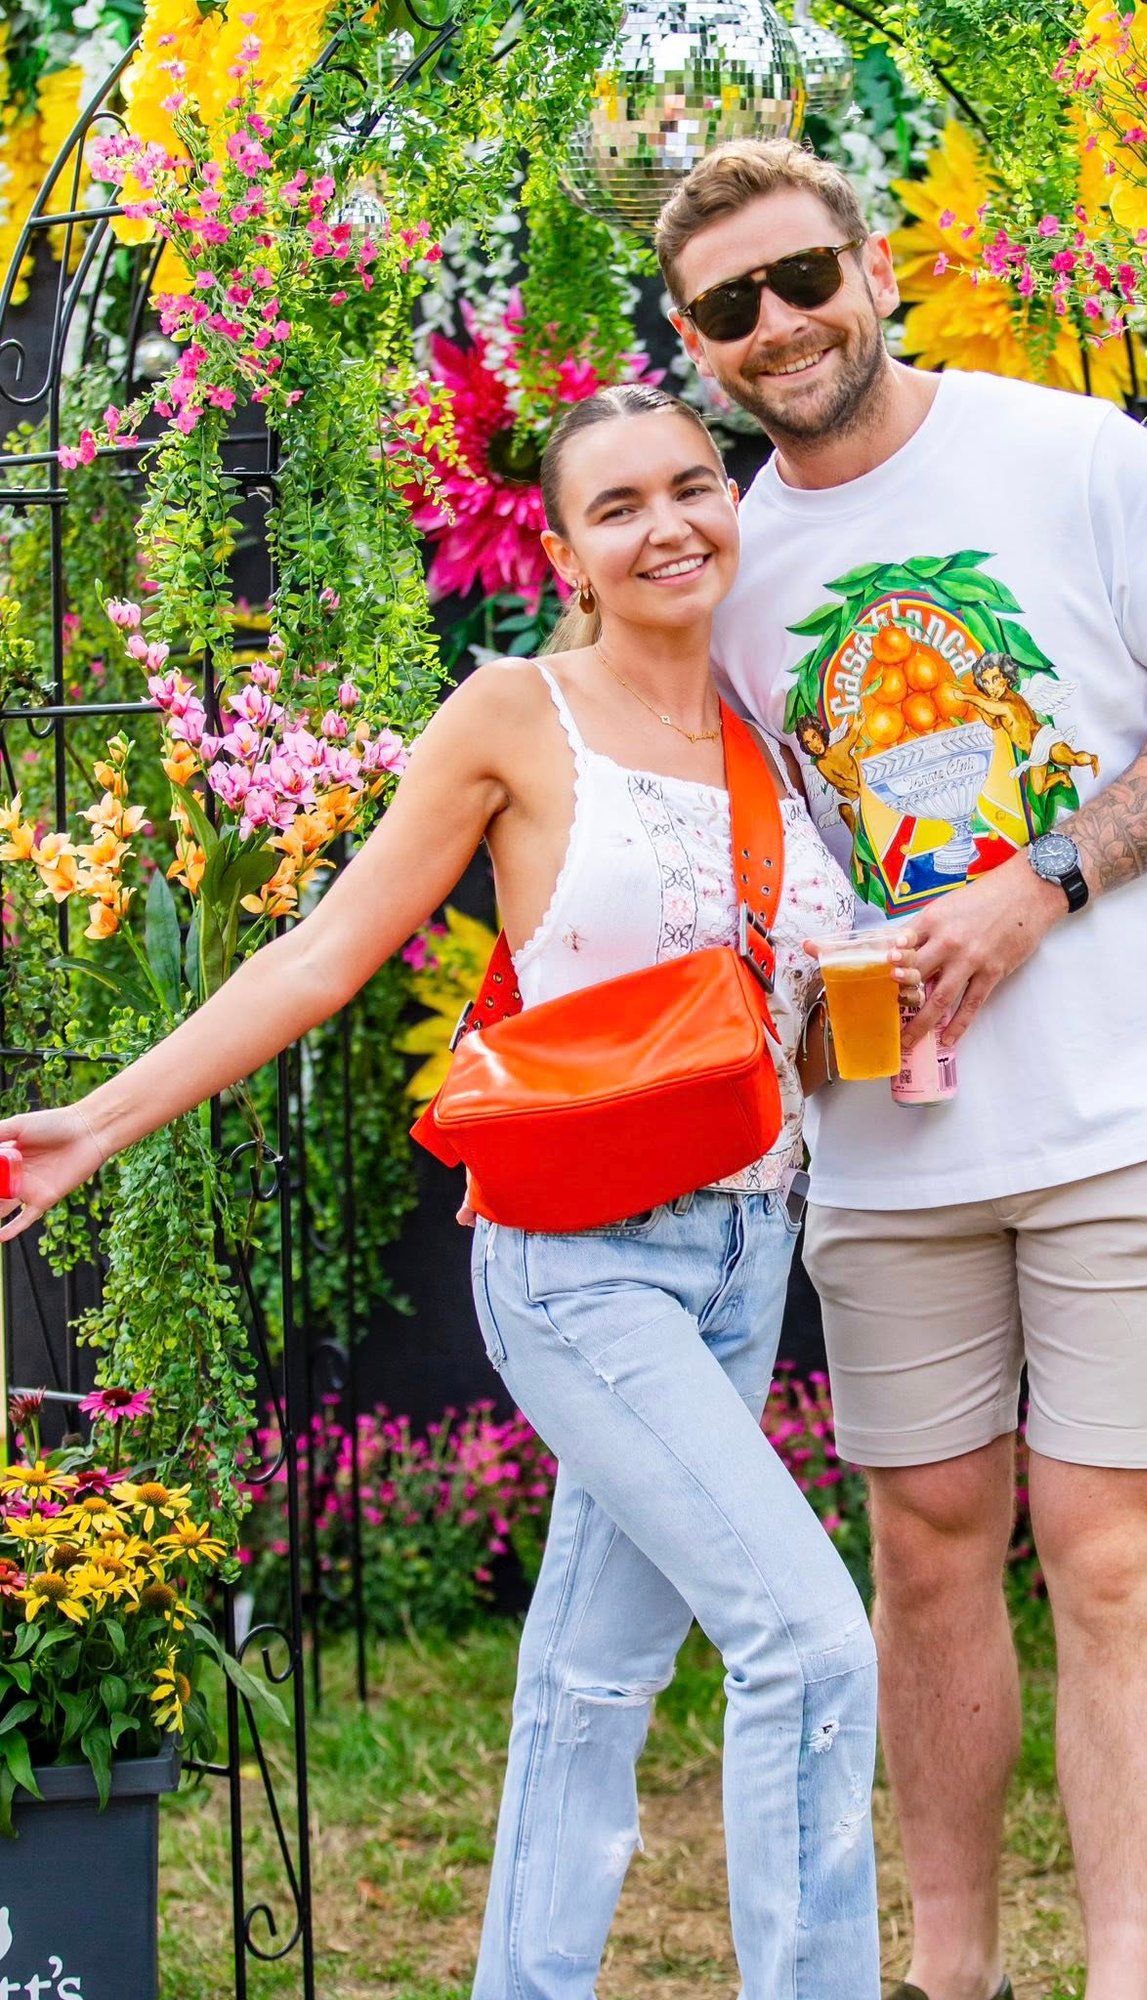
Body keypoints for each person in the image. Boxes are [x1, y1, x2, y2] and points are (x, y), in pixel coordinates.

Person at [0, 384, 894, 2000]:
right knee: (812, 1644)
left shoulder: (778, 725)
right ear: (563, 553)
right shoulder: (514, 713)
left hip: (749, 1244)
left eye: (694, 485)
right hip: (582, 1258)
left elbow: (802, 1024)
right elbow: (325, 956)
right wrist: (96, 1127)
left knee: (594, 1679)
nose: (669, 525)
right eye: (618, 506)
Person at [655, 141, 1147, 2000]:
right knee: (928, 1549)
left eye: (803, 278)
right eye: (729, 307)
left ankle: (1122, 1986)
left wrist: (1042, 885)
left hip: (1129, 1101)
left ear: (872, 268)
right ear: (696, 345)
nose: (779, 325)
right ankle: (951, 1977)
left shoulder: (1074, 456)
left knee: (1107, 1555)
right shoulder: (726, 568)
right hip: (887, 1135)